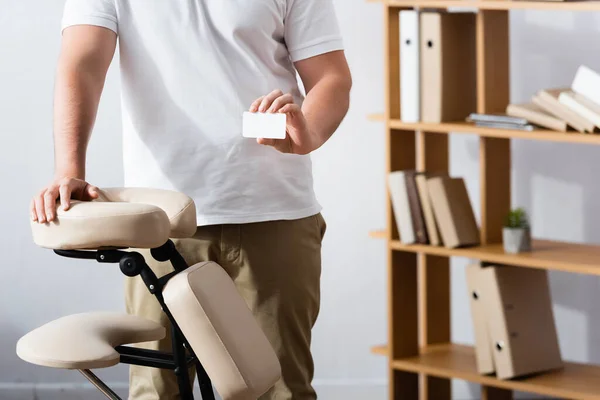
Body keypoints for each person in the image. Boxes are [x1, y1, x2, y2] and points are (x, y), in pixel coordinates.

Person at [30, 1, 352, 399]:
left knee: (279, 390)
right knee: (158, 390)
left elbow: (331, 79)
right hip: (159, 221)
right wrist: (68, 170)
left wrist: (308, 134)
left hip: (276, 213)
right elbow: (82, 62)